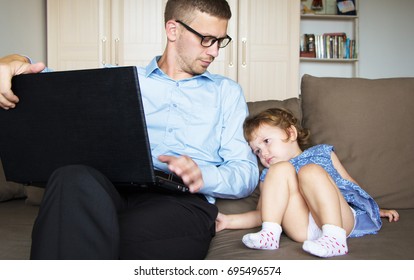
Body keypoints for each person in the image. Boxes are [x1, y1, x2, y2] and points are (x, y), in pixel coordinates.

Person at [0, 0, 259, 259]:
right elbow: (50, 85)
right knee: (70, 177)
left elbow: (245, 172)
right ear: (173, 30)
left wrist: (203, 175)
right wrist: (14, 61)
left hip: (180, 200)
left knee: (83, 234)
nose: (214, 52)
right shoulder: (119, 79)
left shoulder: (227, 92)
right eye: (206, 39)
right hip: (111, 190)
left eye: (220, 41)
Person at [216, 107, 399, 258]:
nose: (263, 153)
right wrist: (228, 221)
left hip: (339, 220)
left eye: (266, 141)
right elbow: (263, 213)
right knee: (279, 170)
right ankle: (270, 236)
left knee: (310, 171)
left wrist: (375, 208)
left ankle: (334, 239)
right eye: (257, 150)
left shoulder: (322, 153)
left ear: (290, 132)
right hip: (302, 228)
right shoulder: (270, 175)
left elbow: (349, 184)